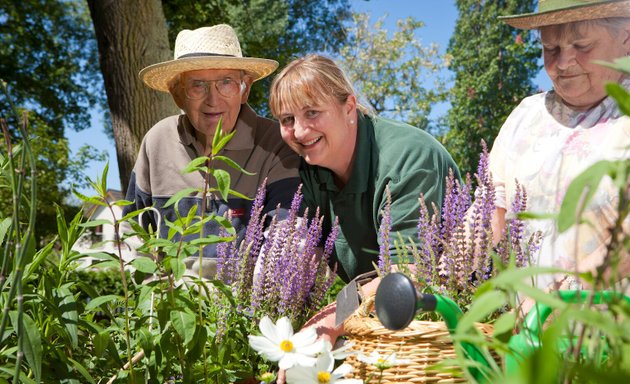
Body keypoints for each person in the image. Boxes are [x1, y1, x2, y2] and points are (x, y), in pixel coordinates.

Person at [268, 54, 460, 345]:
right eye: (287, 119)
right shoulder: (308, 170)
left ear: (349, 107)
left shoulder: (407, 159)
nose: (299, 131)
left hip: (447, 323)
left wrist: (329, 321)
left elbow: (407, 276)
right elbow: (310, 261)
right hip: (375, 322)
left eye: (312, 112)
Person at [124, 24, 300, 278]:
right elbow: (134, 233)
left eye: (226, 83)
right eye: (198, 85)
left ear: (245, 88)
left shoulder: (274, 143)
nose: (213, 100)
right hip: (173, 309)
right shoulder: (157, 141)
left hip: (247, 312)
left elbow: (286, 237)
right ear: (177, 94)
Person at [491, 0, 630, 291]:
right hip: (522, 328)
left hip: (607, 325)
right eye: (550, 49)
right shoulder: (527, 115)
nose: (564, 62)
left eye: (582, 45)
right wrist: (436, 277)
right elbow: (490, 210)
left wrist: (561, 296)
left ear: (626, 39)